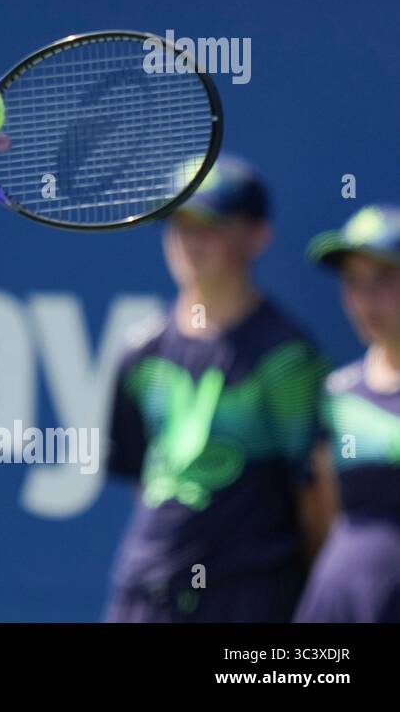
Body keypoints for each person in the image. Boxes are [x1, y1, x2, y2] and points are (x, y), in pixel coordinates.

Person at [104, 155, 335, 621]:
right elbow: (148, 480)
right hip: (144, 590)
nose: (190, 240)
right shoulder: (140, 351)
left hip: (249, 597)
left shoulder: (288, 359)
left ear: (257, 237)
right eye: (179, 223)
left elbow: (316, 496)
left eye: (210, 224)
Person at [295, 204, 400, 622]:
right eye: (353, 283)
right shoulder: (337, 394)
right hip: (337, 600)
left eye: (384, 280)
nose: (365, 301)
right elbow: (322, 514)